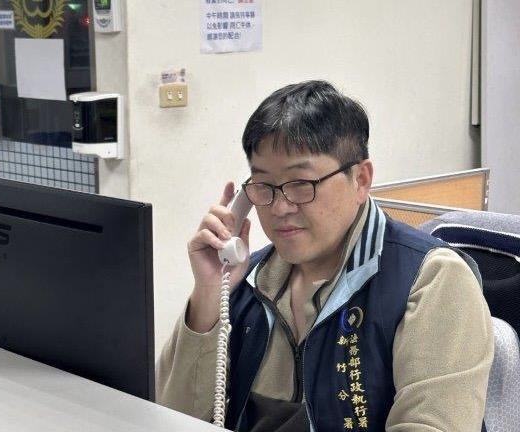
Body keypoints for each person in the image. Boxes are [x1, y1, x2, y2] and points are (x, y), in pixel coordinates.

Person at [156, 80, 494, 431]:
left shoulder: (431, 280)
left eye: (301, 184)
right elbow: (168, 418)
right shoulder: (249, 280)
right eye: (264, 186)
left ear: (360, 180)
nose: (280, 207)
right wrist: (210, 293)